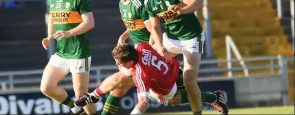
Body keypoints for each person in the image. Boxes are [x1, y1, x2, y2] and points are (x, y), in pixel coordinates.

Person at [132, 0, 205, 115]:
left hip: (191, 37)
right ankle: (163, 83)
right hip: (171, 38)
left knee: (189, 81)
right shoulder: (148, 0)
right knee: (147, 58)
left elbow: (198, 3)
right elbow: (155, 27)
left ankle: (197, 112)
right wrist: (158, 45)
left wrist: (180, 11)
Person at [75, 43, 229, 115]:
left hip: (165, 88)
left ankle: (212, 97)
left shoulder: (140, 74)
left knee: (174, 99)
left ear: (129, 61)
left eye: (120, 62)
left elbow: (144, 103)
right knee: (120, 77)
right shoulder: (141, 47)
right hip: (173, 70)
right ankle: (93, 96)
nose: (117, 64)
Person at [40, 0, 96, 115]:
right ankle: (75, 108)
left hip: (79, 52)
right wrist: (49, 37)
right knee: (46, 87)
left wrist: (70, 33)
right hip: (62, 52)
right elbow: (52, 19)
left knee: (82, 96)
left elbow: (90, 23)